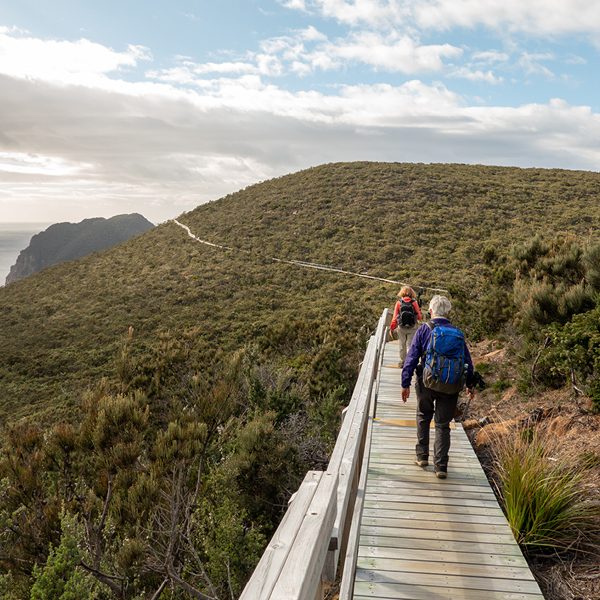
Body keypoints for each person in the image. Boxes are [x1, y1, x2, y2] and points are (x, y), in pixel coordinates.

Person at [400, 295, 475, 479]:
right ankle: (441, 466)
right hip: (451, 386)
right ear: (449, 313)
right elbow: (467, 362)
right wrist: (470, 384)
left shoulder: (425, 330)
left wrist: (405, 383)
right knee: (443, 425)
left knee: (423, 416)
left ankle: (422, 456)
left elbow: (411, 358)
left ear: (430, 311)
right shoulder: (457, 333)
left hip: (427, 383)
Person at [390, 286, 422, 367]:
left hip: (401, 327)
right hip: (412, 327)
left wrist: (392, 328)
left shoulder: (398, 303)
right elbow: (419, 317)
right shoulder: (414, 303)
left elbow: (394, 317)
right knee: (410, 345)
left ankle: (402, 362)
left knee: (402, 344)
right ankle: (410, 362)